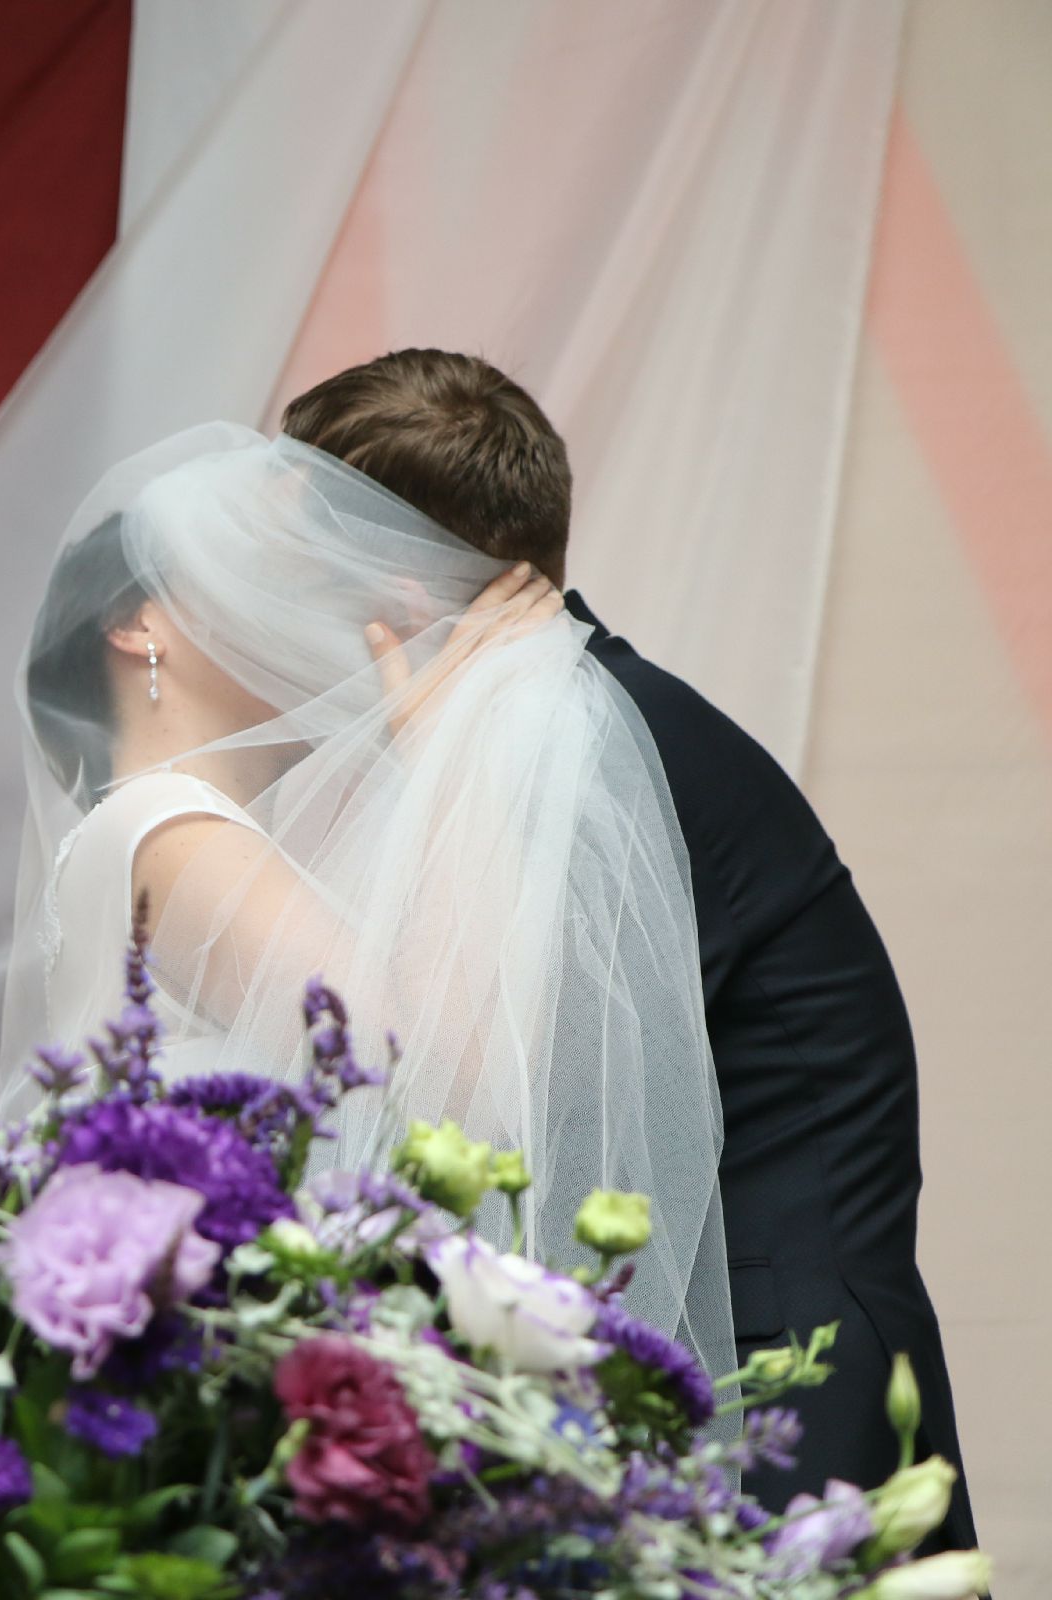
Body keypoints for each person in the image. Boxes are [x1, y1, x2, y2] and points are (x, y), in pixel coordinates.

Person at [276, 348, 975, 1539]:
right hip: (746, 1350)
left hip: (781, 1389)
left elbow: (479, 1091)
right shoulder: (553, 708)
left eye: (306, 565)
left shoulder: (563, 736)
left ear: (391, 581)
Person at [1, 419, 735, 1387]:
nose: (292, 600)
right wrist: (445, 747)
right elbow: (434, 1075)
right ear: (139, 625)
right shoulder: (162, 826)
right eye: (241, 573)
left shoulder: (181, 836)